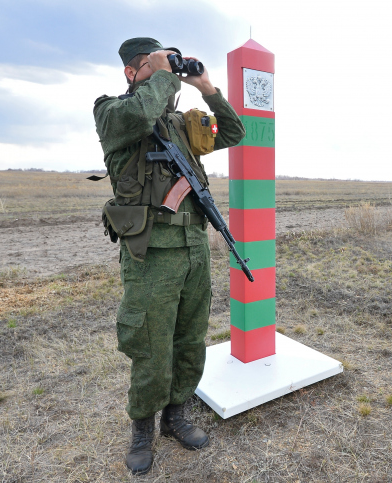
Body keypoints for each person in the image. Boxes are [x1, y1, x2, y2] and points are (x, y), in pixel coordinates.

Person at [93, 37, 245, 475]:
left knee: (189, 338)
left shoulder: (182, 124)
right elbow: (141, 112)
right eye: (151, 65)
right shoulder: (113, 113)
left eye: (166, 66)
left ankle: (175, 416)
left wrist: (206, 86)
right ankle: (142, 428)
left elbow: (234, 133)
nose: (165, 73)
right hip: (151, 254)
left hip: (195, 249)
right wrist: (161, 72)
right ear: (131, 72)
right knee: (151, 345)